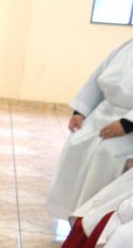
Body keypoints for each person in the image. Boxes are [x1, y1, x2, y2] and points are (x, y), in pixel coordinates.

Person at [45, 39, 133, 219]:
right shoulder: (125, 46)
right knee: (77, 142)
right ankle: (71, 212)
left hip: (128, 127)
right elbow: (95, 80)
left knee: (105, 153)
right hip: (102, 114)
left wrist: (127, 123)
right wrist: (80, 111)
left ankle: (93, 219)